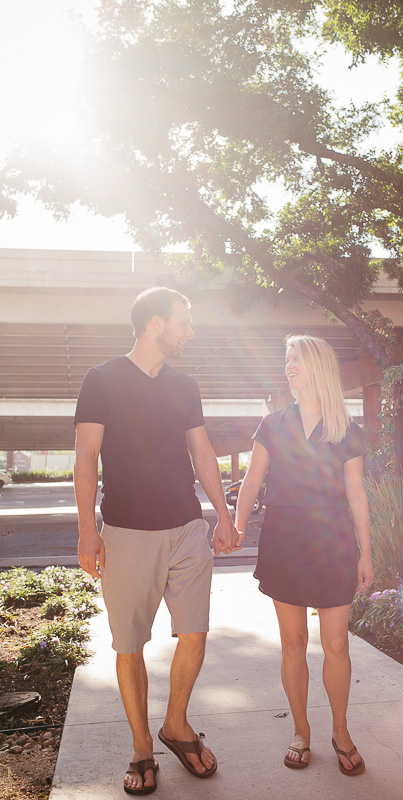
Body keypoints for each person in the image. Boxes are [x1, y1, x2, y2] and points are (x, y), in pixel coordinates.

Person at [74, 287, 240, 795]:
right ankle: (142, 746)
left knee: (194, 632)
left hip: (187, 529)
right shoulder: (101, 380)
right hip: (125, 532)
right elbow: (85, 459)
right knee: (130, 645)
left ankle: (175, 724)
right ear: (154, 324)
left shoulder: (185, 385)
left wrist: (223, 514)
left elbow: (202, 451)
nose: (189, 332)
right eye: (183, 322)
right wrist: (86, 529)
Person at [235, 334, 373, 775]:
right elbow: (253, 481)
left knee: (336, 643)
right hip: (285, 542)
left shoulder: (348, 431)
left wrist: (365, 551)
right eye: (286, 359)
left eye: (296, 359)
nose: (288, 367)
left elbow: (356, 494)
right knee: (293, 642)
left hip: (334, 543)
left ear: (317, 367)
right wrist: (236, 525)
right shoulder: (273, 424)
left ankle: (341, 730)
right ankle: (301, 730)